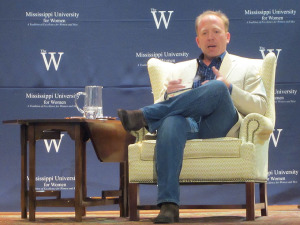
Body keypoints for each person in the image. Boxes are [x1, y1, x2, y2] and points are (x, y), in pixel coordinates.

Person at [118, 10, 267, 224]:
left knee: (217, 87)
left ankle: (144, 116)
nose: (211, 37)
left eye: (216, 31)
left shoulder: (247, 68)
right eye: (205, 33)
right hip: (187, 124)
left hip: (222, 124)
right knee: (169, 120)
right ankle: (169, 206)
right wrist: (167, 94)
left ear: (227, 37)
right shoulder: (179, 70)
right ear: (198, 40)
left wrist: (230, 88)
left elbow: (261, 106)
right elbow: (167, 106)